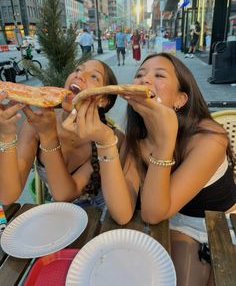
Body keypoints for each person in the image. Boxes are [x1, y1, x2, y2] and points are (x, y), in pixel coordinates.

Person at [66, 52, 235, 284]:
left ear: (180, 99)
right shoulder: (137, 138)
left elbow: (152, 213)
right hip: (171, 220)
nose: (144, 80)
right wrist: (105, 141)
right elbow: (123, 212)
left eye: (159, 75)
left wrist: (165, 143)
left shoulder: (210, 138)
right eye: (140, 74)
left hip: (217, 224)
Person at [0, 59, 124, 209]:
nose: (79, 75)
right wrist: (6, 135)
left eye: (94, 76)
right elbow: (7, 196)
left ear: (103, 100)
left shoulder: (108, 138)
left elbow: (64, 194)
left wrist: (48, 136)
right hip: (58, 212)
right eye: (78, 69)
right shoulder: (36, 123)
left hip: (101, 214)